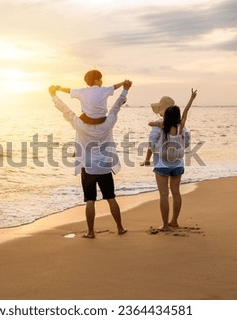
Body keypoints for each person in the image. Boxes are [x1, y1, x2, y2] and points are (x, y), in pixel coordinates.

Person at [49, 80, 132, 238]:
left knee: (90, 200)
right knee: (111, 198)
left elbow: (65, 110)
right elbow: (116, 107)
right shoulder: (107, 123)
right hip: (105, 167)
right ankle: (120, 228)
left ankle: (91, 232)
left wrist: (54, 95)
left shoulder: (80, 124)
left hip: (88, 168)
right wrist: (125, 90)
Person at [149, 88, 197, 231]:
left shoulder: (162, 126)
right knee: (176, 193)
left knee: (164, 195)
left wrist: (157, 123)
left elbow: (151, 140)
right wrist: (192, 98)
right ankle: (174, 221)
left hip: (162, 165)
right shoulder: (181, 126)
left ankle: (164, 225)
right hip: (177, 164)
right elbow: (186, 112)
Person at [55, 70, 126, 124]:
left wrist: (60, 88)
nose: (102, 81)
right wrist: (123, 83)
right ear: (96, 81)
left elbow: (69, 91)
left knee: (80, 117)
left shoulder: (82, 91)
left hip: (87, 120)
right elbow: (114, 87)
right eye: (100, 79)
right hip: (101, 120)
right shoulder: (104, 90)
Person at [140, 96, 175, 166]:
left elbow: (152, 141)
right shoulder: (178, 123)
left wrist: (147, 159)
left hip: (160, 158)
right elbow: (186, 141)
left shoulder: (158, 123)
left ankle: (146, 160)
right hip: (176, 158)